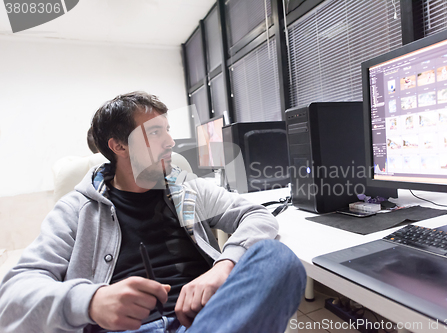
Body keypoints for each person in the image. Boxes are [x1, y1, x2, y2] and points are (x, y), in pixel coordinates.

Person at [0, 92, 306, 333]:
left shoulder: (187, 190)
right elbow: (12, 297)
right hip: (124, 329)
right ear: (119, 145)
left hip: (206, 321)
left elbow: (257, 215)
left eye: (167, 131)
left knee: (276, 257)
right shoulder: (74, 210)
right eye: (156, 132)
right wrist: (91, 302)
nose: (171, 141)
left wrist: (223, 266)